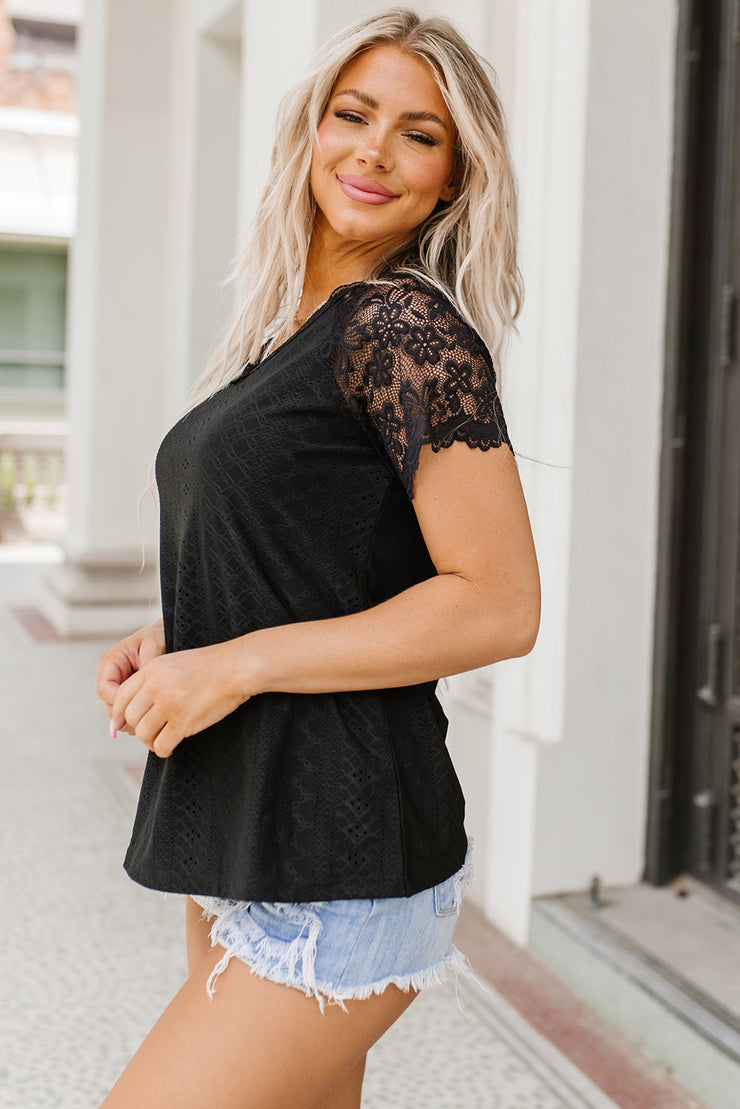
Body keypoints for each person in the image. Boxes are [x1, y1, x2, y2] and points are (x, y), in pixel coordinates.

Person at [96, 7, 540, 1107]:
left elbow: (498, 604)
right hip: (246, 826)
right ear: (311, 131)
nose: (374, 150)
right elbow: (323, 551)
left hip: (339, 856)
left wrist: (232, 662)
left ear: (452, 178)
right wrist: (182, 630)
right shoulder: (292, 331)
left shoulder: (406, 333)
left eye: (418, 134)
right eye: (352, 114)